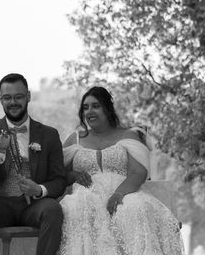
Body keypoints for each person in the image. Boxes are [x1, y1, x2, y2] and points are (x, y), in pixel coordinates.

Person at [59, 86, 185, 255]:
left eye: (96, 106)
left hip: (124, 193)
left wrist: (118, 195)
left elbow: (138, 172)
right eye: (86, 107)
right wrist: (73, 175)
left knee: (136, 208)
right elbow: (58, 174)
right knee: (77, 207)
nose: (90, 111)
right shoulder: (74, 139)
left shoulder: (127, 135)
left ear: (107, 109)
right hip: (86, 195)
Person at [0, 73, 67, 255]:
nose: (13, 102)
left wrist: (39, 190)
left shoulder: (49, 135)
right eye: (7, 98)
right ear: (0, 100)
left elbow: (59, 180)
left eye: (18, 97)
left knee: (53, 210)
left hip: (33, 206)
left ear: (28, 96)